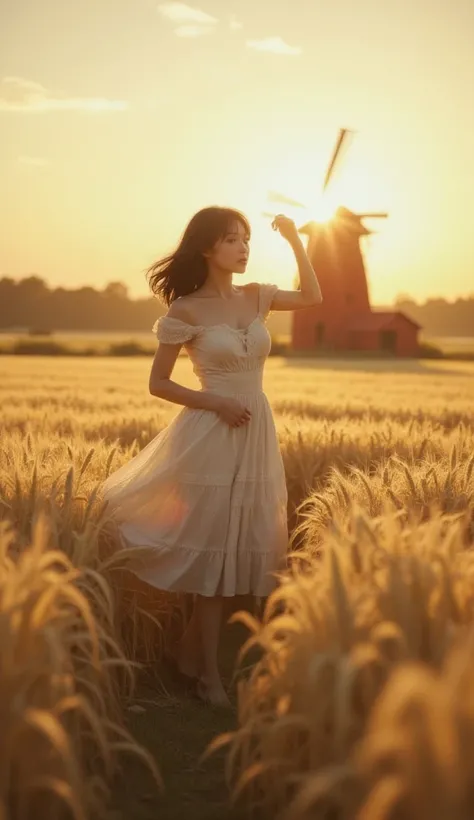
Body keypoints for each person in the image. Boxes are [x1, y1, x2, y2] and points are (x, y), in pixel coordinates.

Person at [100, 206, 322, 706]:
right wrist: (216, 401)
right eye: (231, 239)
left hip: (255, 431)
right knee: (214, 553)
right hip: (210, 434)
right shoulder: (185, 310)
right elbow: (158, 383)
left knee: (235, 547)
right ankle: (208, 679)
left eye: (246, 239)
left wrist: (294, 240)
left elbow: (313, 296)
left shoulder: (256, 297)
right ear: (206, 248)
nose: (243, 247)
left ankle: (187, 657)